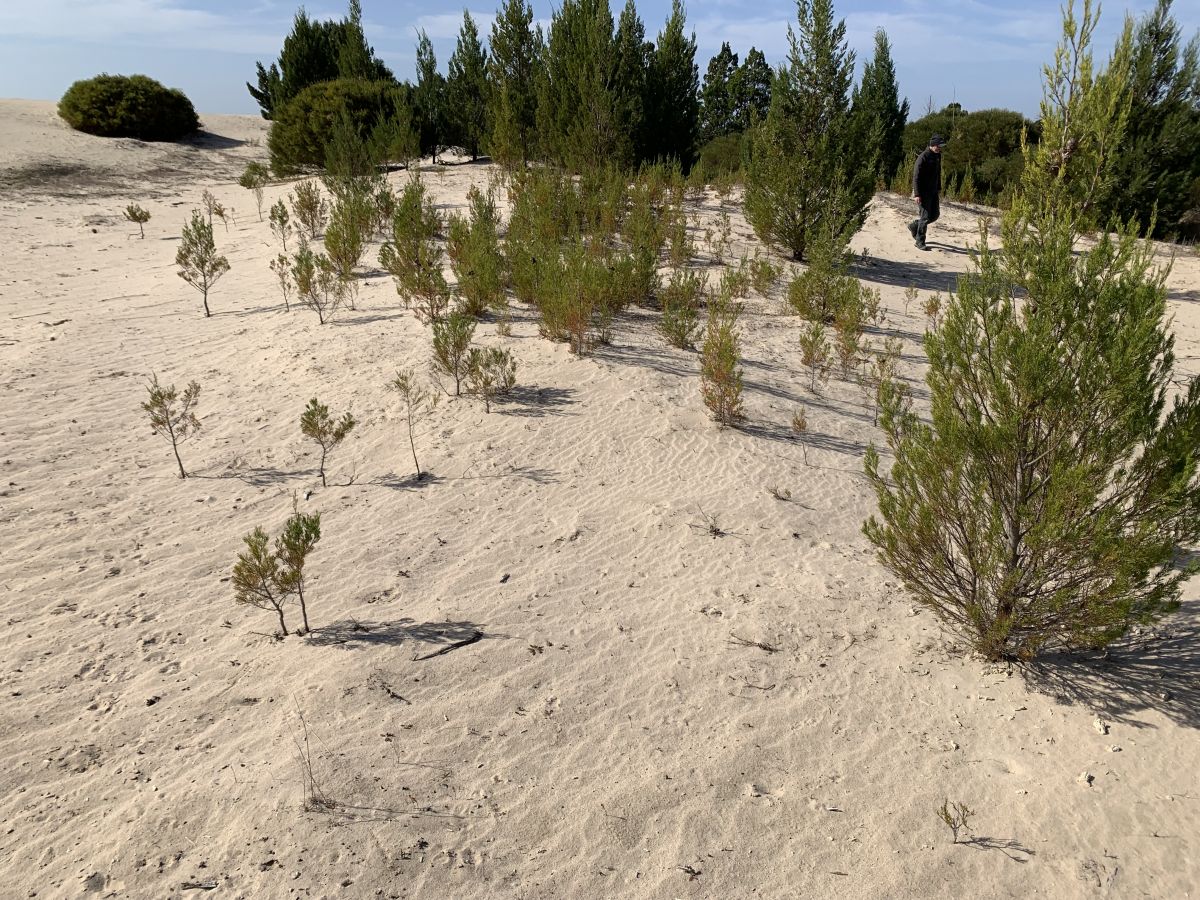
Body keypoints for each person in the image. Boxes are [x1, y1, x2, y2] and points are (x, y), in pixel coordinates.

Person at [908, 134, 947, 251]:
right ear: (933, 145)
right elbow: (916, 177)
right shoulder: (923, 157)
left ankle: (914, 225)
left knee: (934, 215)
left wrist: (938, 188)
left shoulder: (937, 156)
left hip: (933, 191)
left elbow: (937, 173)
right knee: (925, 218)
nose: (940, 148)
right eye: (938, 146)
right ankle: (919, 241)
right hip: (923, 193)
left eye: (941, 146)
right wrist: (917, 194)